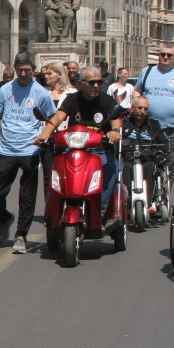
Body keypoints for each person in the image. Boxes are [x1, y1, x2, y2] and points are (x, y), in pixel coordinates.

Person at [0, 52, 56, 254]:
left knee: (27, 194)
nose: (23, 73)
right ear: (14, 68)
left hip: (30, 149)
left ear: (33, 69)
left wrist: (44, 135)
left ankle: (21, 235)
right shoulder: (5, 91)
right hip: (6, 149)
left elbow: (51, 119)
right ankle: (4, 219)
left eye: (27, 70)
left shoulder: (40, 93)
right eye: (20, 69)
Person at [39, 65, 124, 228]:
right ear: (81, 83)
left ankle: (101, 211)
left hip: (99, 149)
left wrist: (114, 131)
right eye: (92, 83)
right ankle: (54, 213)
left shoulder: (106, 100)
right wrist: (47, 132)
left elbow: (116, 119)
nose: (96, 86)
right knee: (56, 173)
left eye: (99, 82)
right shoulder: (72, 99)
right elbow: (58, 117)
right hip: (73, 149)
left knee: (110, 169)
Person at [132, 45, 174, 183]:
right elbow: (136, 91)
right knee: (147, 160)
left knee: (170, 163)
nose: (165, 57)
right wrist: (135, 103)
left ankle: (166, 198)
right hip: (148, 127)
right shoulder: (147, 71)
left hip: (172, 128)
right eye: (163, 54)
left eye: (169, 55)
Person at [121, 96, 169, 215]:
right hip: (129, 158)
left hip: (148, 158)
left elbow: (164, 142)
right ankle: (126, 203)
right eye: (139, 108)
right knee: (125, 168)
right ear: (132, 108)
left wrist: (160, 152)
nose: (142, 111)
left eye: (145, 109)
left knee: (150, 167)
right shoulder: (124, 123)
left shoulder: (153, 124)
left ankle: (149, 202)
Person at [40, 61, 76, 201]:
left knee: (65, 174)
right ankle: (50, 209)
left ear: (59, 75)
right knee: (48, 174)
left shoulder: (72, 93)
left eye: (50, 73)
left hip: (66, 139)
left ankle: (66, 205)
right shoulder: (44, 93)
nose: (46, 76)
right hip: (47, 139)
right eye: (45, 74)